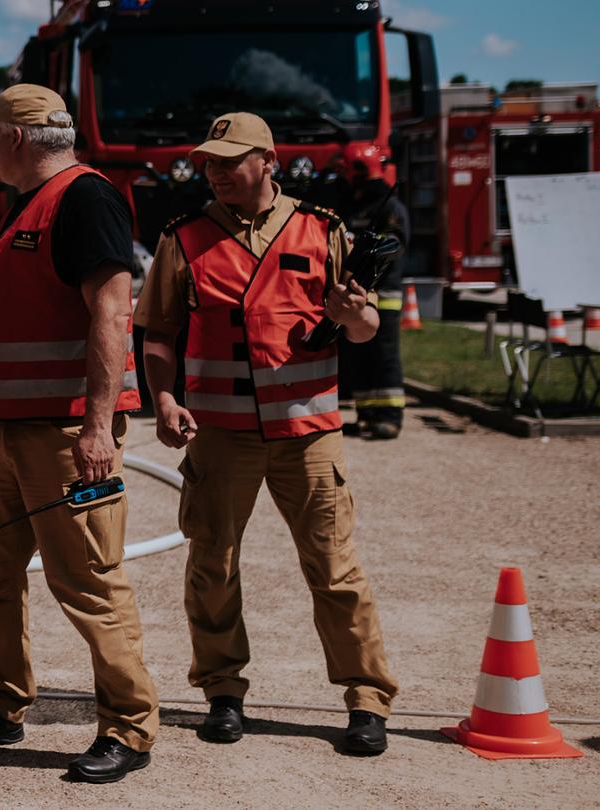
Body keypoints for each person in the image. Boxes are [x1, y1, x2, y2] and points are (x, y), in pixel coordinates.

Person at [136, 112, 397, 757]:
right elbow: (160, 334)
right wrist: (165, 398)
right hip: (220, 434)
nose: (217, 172)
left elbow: (365, 328)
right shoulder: (184, 238)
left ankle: (366, 700)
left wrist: (353, 314)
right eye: (211, 162)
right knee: (213, 565)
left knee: (335, 570)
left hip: (308, 433)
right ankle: (223, 692)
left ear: (268, 161)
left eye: (231, 160)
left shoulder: (323, 229)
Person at [0, 84, 158, 784]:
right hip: (1, 433)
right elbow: (8, 327)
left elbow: (111, 314)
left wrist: (97, 427)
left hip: (63, 436)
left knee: (88, 583)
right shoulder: (26, 206)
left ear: (15, 137)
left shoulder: (83, 198)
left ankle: (129, 726)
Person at [339, 160, 410, 440]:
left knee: (384, 357)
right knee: (360, 356)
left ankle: (390, 417)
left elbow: (393, 246)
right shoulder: (357, 206)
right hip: (358, 292)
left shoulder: (390, 207)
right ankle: (367, 415)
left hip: (385, 294)